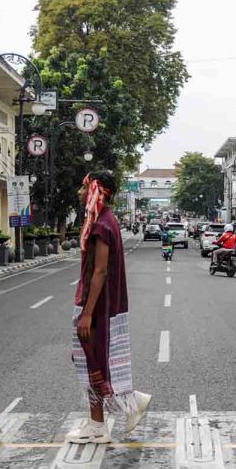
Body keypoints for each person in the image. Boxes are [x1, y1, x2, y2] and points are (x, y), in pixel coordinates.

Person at [68, 171, 152, 443]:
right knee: (92, 360)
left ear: (96, 190)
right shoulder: (104, 220)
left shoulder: (102, 225)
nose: (81, 194)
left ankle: (129, 402)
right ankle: (97, 423)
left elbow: (100, 271)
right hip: (101, 304)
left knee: (95, 360)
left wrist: (88, 312)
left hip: (98, 306)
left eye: (84, 188)